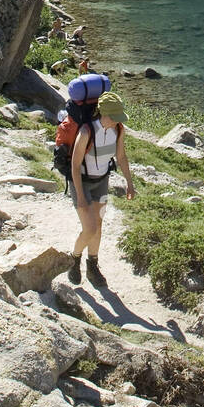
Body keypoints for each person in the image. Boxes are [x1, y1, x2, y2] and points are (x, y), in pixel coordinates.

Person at [69, 93, 135, 287]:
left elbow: (121, 157)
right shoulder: (87, 131)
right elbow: (74, 165)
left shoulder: (119, 130)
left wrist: (129, 183)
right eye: (114, 117)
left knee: (98, 225)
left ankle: (93, 266)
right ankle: (74, 259)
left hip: (102, 182)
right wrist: (80, 196)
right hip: (81, 182)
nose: (116, 121)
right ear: (103, 113)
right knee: (89, 228)